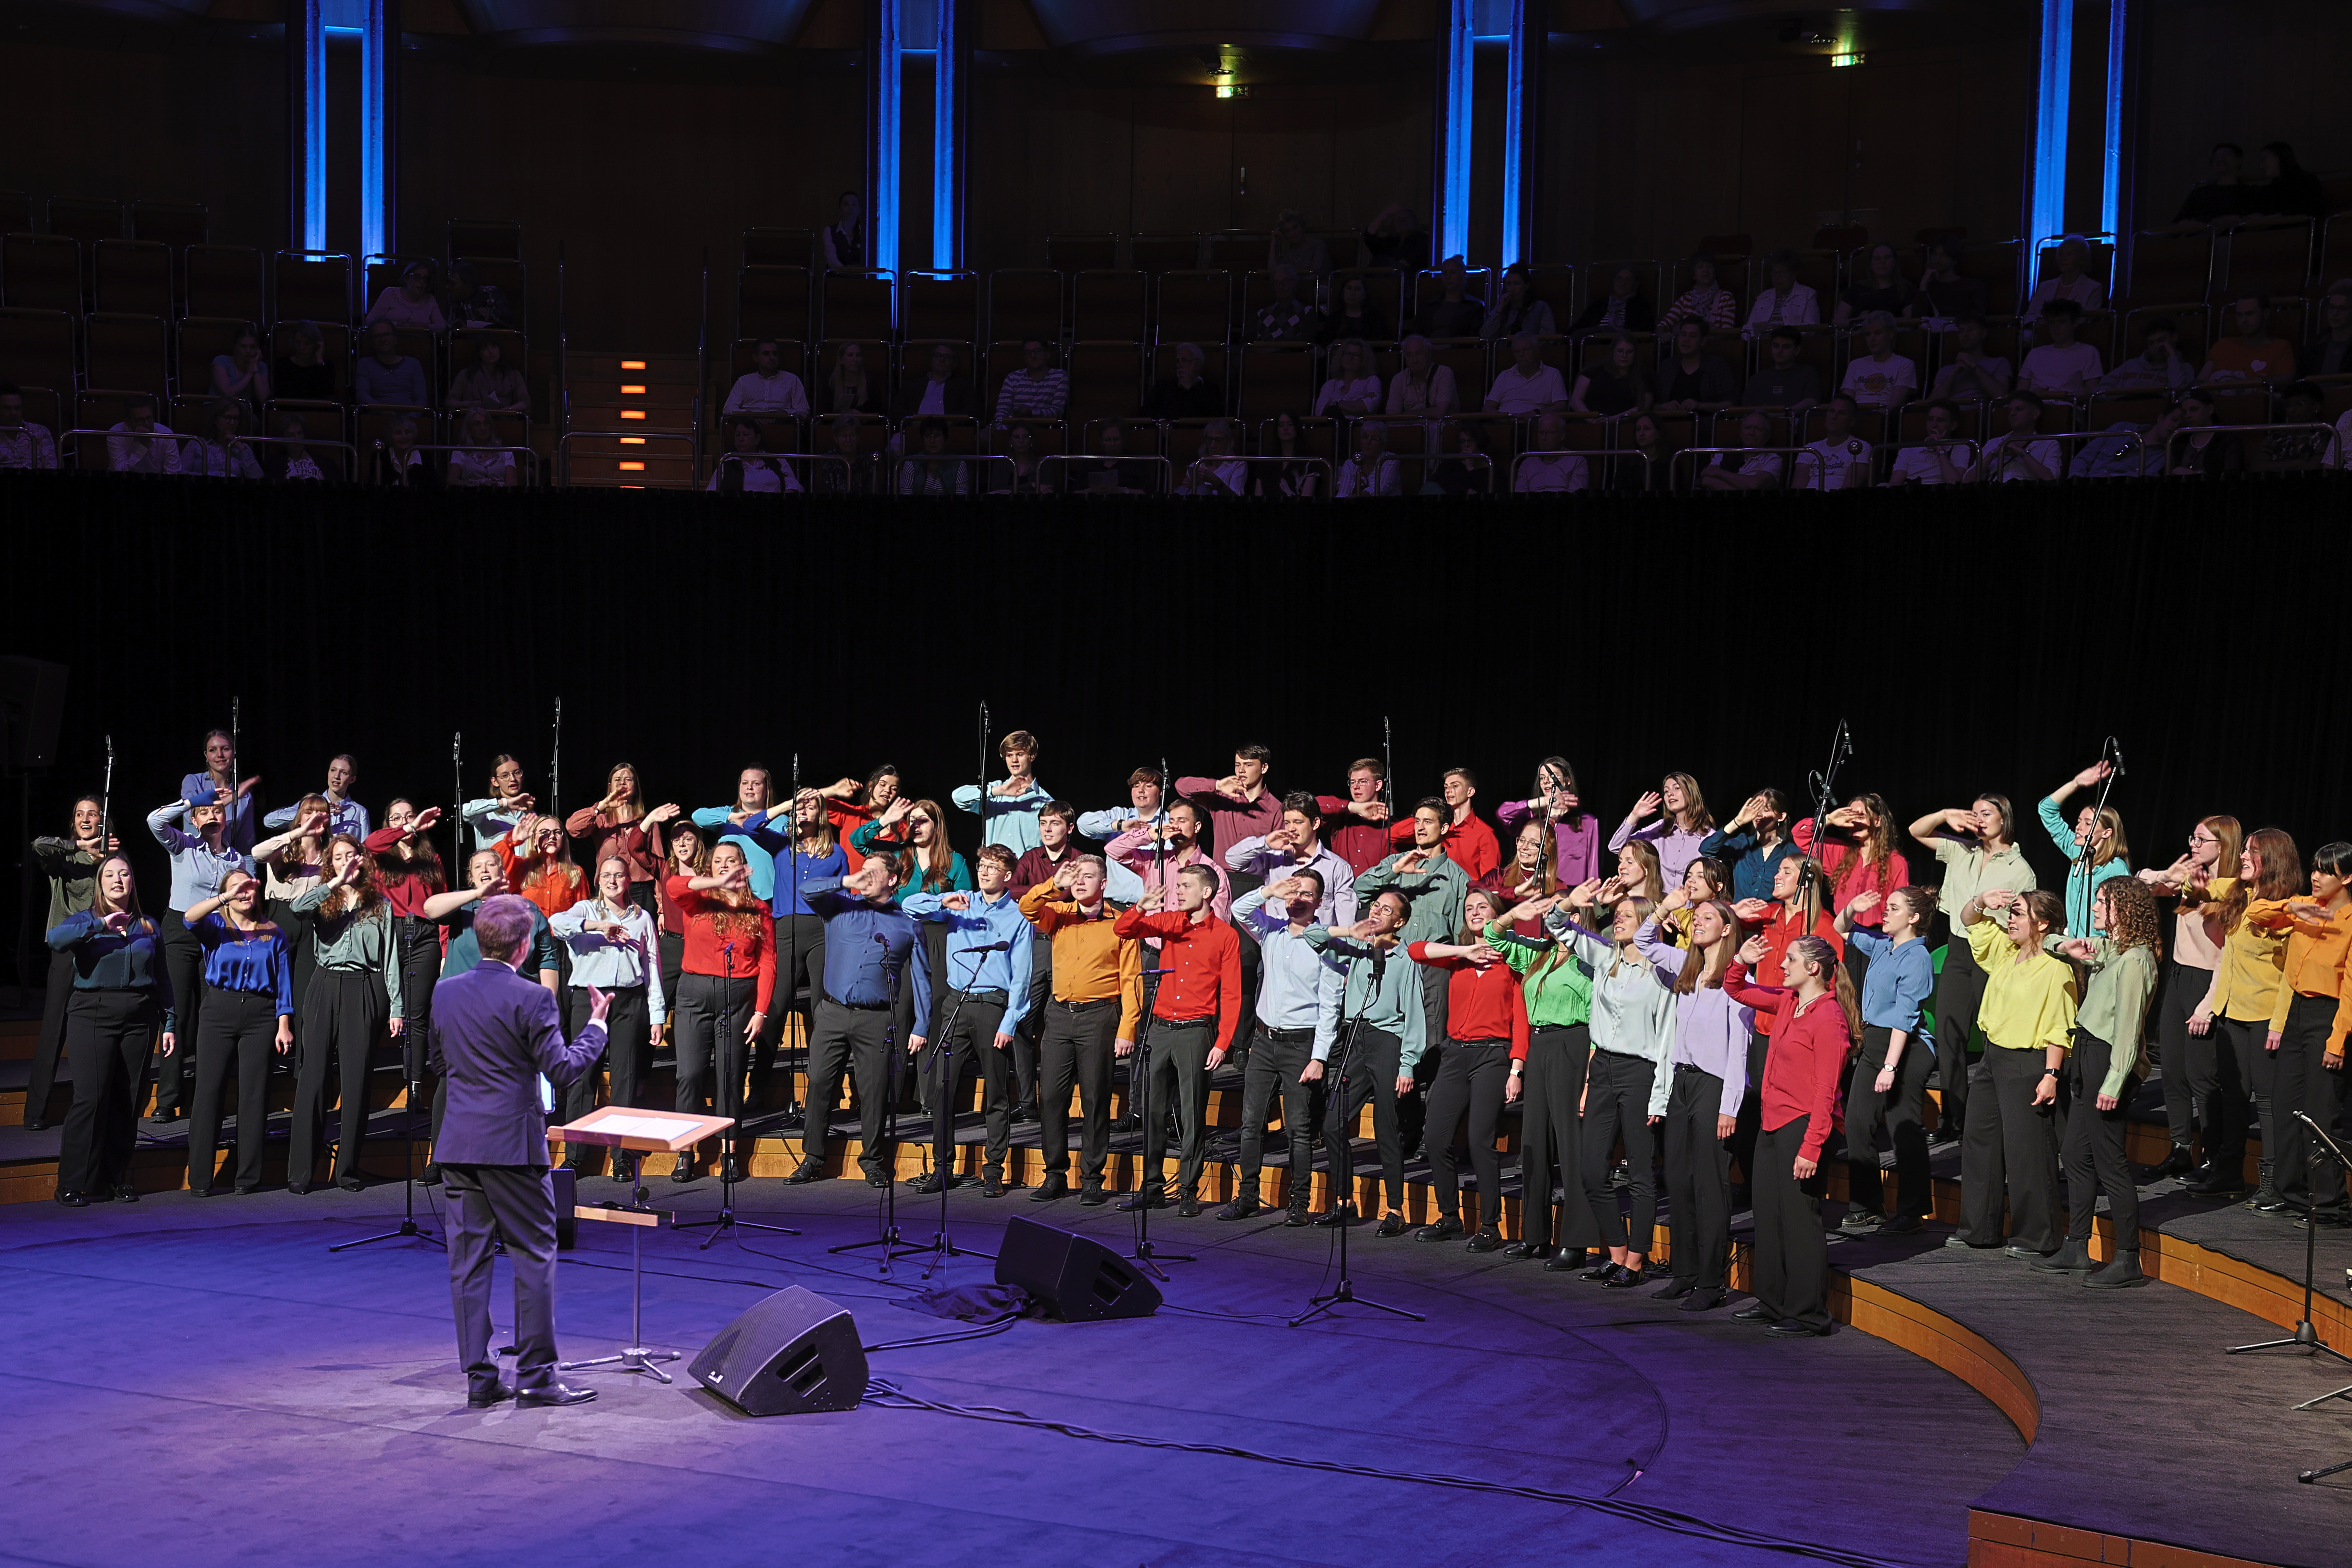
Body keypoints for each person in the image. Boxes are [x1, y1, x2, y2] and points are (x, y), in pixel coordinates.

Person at [430, 893, 610, 1410]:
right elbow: (564, 1069)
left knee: (468, 1264)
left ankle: (480, 1379)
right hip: (512, 1146)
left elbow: (439, 1062)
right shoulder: (533, 997)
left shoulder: (445, 991)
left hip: (459, 1143)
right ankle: (536, 1377)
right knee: (533, 1255)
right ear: (524, 946)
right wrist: (597, 1026)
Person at [1725, 932, 1858, 1336]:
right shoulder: (1788, 1002)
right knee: (1767, 1214)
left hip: (1805, 1125)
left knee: (1800, 1219)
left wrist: (1811, 1147)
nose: (1782, 966)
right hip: (1773, 1120)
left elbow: (1826, 1092)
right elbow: (1736, 989)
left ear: (1813, 968)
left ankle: (1808, 1313)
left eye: (1790, 959)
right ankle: (1772, 1301)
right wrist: (1740, 959)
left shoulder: (1829, 1019)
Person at [2034, 877, 2162, 1285]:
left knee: (2110, 1161)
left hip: (2109, 1059)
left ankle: (2127, 1258)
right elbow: (2052, 941)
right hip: (2088, 1053)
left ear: (2123, 908)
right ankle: (2076, 1246)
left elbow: (2128, 1028)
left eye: (2102, 901)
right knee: (2074, 1152)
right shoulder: (2111, 949)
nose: (2094, 907)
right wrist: (2068, 948)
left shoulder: (2136, 959)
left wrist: (2114, 1081)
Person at [1477, 884, 1607, 1266]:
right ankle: (1534, 1235)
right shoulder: (1539, 952)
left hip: (1573, 1044)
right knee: (1533, 1143)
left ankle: (1576, 1242)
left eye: (1560, 909)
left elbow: (1597, 1024)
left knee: (1570, 1146)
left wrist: (1588, 1079)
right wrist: (1510, 915)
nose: (1552, 916)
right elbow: (1492, 935)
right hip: (1540, 1045)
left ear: (1577, 916)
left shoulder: (1589, 959)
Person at [1947, 887, 2076, 1257]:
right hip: (1993, 1058)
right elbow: (1970, 921)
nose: (2010, 919)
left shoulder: (2056, 968)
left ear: (2043, 923)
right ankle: (1978, 1229)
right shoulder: (2007, 951)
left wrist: (2051, 1074)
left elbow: (2059, 1026)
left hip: (2028, 1063)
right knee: (1980, 1143)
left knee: (2027, 1151)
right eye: (2012, 912)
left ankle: (2037, 1236)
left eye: (2019, 913)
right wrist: (1981, 900)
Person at [788, 857, 927, 1187]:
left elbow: (922, 978)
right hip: (832, 1012)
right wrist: (846, 880)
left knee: (875, 1092)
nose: (865, 877)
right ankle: (813, 1158)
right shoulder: (839, 907)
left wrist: (922, 1025)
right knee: (819, 1083)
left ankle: (873, 1161)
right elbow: (806, 890)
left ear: (893, 880)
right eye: (863, 870)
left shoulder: (907, 924)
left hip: (877, 1018)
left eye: (873, 872)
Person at [904, 844, 1033, 1197]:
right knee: (942, 1088)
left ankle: (993, 1171)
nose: (984, 871)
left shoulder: (1018, 915)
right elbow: (909, 906)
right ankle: (942, 1168)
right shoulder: (961, 901)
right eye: (981, 865)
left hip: (992, 1005)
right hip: (956, 1003)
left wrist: (1010, 1020)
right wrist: (941, 901)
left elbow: (1022, 974)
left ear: (1008, 875)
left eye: (993, 866)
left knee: (996, 1092)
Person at [1114, 867, 1242, 1216]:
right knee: (1152, 1112)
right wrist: (1141, 906)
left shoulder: (1225, 935)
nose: (1179, 891)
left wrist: (1223, 1041)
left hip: (1195, 1032)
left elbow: (1232, 994)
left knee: (1192, 1113)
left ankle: (1188, 1189)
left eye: (1186, 886)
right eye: (1177, 886)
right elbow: (1123, 929)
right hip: (1160, 1029)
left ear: (1207, 892)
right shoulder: (1170, 921)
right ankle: (1152, 1187)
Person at [1406, 888, 1529, 1250]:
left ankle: (1490, 1225)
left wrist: (1516, 1069)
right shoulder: (1457, 958)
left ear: (1497, 914)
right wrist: (1465, 951)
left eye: (1483, 907)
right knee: (1435, 1138)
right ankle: (1449, 1217)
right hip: (1455, 1054)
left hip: (1493, 1055)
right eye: (1469, 908)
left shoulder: (1511, 959)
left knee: (1480, 1140)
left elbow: (1521, 1019)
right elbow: (1416, 950)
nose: (1475, 912)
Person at [46, 855, 172, 1206]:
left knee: (128, 1100)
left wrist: (170, 1022)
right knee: (91, 1098)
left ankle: (115, 1177)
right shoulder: (86, 920)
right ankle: (72, 1182)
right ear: (100, 883)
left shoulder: (148, 925)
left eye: (125, 873)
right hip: (92, 1013)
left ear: (133, 882)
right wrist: (100, 924)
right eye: (111, 875)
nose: (118, 879)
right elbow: (55, 939)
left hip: (139, 1016)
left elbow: (163, 978)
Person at [1218, 873, 1344, 1223]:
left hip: (1301, 1045)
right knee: (1251, 1123)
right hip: (1264, 1041)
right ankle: (1247, 1196)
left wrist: (1319, 1057)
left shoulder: (1326, 943)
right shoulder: (1271, 931)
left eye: (1306, 893)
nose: (1297, 898)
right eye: (1292, 891)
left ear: (1319, 902)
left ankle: (1299, 1203)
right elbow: (1239, 910)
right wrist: (1270, 891)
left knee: (1299, 1129)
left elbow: (1330, 1006)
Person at [1909, 794, 2035, 1145]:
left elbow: (2023, 920)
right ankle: (1953, 1119)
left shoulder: (2019, 868)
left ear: (2003, 819)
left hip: (1993, 951)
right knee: (1949, 1033)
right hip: (1957, 948)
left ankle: (1994, 1117)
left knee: (1995, 1035)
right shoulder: (1960, 849)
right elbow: (1916, 831)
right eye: (1974, 813)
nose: (1978, 819)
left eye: (1986, 813)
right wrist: (1944, 813)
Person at [1019, 855, 1142, 1206]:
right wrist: (1054, 884)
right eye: (1076, 876)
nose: (1081, 882)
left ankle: (1092, 1178)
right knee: (1052, 1098)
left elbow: (1131, 978)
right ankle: (1055, 1175)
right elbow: (1027, 907)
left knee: (1095, 1099)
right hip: (1059, 1015)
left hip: (1099, 1016)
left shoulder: (1120, 922)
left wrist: (1128, 1027)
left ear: (1103, 884)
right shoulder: (1059, 913)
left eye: (1088, 876)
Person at [2186, 828, 2302, 1204]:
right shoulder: (2239, 892)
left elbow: (2291, 975)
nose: (2242, 857)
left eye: (2252, 851)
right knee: (2233, 1096)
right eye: (2244, 850)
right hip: (2231, 1012)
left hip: (2266, 1016)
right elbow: (2198, 889)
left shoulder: (2287, 908)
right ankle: (2228, 1174)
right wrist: (2189, 883)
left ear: (2273, 859)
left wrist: (2278, 1023)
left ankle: (2275, 1184)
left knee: (2267, 1103)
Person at [1302, 889, 1427, 1233]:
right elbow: (1311, 935)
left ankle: (1395, 1210)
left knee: (1387, 1129)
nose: (1377, 911)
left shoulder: (1405, 959)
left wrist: (1407, 1063)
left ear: (1399, 922)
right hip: (1355, 1037)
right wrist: (1349, 931)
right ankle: (1344, 1201)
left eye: (1387, 910)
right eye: (1376, 905)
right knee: (1332, 1123)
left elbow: (1414, 1014)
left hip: (1387, 1041)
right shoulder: (1357, 947)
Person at [286, 836, 404, 1192]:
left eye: (350, 855)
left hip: (363, 986)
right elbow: (296, 909)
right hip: (325, 983)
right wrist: (335, 883)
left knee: (357, 1081)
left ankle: (347, 1170)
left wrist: (396, 1006)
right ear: (331, 863)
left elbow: (390, 958)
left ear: (362, 859)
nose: (345, 860)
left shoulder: (380, 904)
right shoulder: (324, 897)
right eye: (338, 857)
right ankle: (301, 1172)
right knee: (314, 1077)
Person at [2136, 815, 2242, 1180]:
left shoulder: (2233, 890)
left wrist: (2207, 1005)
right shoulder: (2189, 878)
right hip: (2179, 977)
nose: (2193, 845)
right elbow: (2141, 882)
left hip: (2207, 982)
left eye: (2200, 840)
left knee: (2202, 1077)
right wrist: (2164, 874)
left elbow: (2228, 955)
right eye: (2192, 838)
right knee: (2172, 1072)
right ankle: (2180, 1149)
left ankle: (2213, 1156)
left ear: (2222, 845)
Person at [665, 840, 777, 1183]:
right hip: (694, 994)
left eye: (732, 860)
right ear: (710, 867)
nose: (725, 865)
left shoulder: (758, 909)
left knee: (730, 1075)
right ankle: (686, 1151)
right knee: (690, 1075)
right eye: (718, 861)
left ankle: (729, 1152)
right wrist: (717, 883)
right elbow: (673, 886)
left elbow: (768, 961)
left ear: (743, 865)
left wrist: (761, 1011)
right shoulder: (699, 899)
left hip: (738, 997)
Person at [547, 857, 665, 1180]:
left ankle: (622, 1156)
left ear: (629, 880)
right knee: (583, 1077)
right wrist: (598, 926)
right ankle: (575, 1156)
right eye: (607, 875)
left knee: (626, 1078)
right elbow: (557, 924)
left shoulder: (642, 918)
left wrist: (657, 1015)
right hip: (590, 999)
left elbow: (652, 966)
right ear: (598, 880)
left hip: (630, 1000)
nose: (613, 881)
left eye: (619, 875)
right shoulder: (584, 909)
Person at [176, 870, 292, 1196]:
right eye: (236, 888)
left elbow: (283, 981)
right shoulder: (216, 926)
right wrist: (225, 898)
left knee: (254, 1095)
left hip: (261, 1014)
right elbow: (188, 918)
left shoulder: (273, 932)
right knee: (208, 1093)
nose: (244, 893)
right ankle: (201, 1179)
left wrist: (284, 1024)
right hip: (219, 1010)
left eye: (249, 887)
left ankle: (247, 1178)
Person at [2256, 842, 2352, 1231]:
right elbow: (2255, 914)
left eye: (2325, 871)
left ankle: (2331, 1205)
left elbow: (2350, 990)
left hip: (2328, 1016)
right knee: (2285, 1105)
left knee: (2321, 1112)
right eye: (2314, 868)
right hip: (2295, 1011)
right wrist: (2291, 908)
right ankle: (2291, 1193)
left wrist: (2337, 1041)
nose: (2315, 876)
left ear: (2346, 877)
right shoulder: (2303, 905)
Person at [1833, 886, 1937, 1234]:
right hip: (1877, 1041)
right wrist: (1852, 907)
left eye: (1894, 908)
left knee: (1903, 1126)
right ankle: (1866, 1206)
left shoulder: (1916, 957)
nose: (1885, 912)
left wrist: (1890, 1067)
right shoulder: (1882, 944)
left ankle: (1912, 1210)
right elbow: (1840, 927)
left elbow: (1904, 1017)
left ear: (1914, 917)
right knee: (1857, 1121)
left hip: (1906, 1046)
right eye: (1887, 907)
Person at [146, 791, 255, 1120]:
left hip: (217, 937)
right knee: (176, 1014)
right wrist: (193, 802)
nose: (211, 816)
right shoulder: (183, 845)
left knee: (213, 1017)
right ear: (194, 821)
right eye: (204, 812)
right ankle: (168, 1099)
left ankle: (207, 1099)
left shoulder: (236, 860)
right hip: (180, 933)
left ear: (226, 819)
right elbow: (154, 820)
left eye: (217, 811)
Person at [1358, 799, 1471, 1114]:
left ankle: (1430, 1121)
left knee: (1432, 1042)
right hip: (1395, 964)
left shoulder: (1457, 878)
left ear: (1445, 827)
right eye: (1417, 821)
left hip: (1434, 969)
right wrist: (1395, 869)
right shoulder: (1397, 863)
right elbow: (1360, 889)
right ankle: (1401, 1117)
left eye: (1428, 821)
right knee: (1395, 1037)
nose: (1420, 828)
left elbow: (1461, 934)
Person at [25, 798, 113, 1132]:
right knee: (53, 1027)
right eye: (79, 814)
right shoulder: (62, 857)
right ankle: (35, 1110)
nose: (85, 819)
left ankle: (99, 1107)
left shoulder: (111, 857)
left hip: (100, 949)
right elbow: (38, 845)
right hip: (66, 949)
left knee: (98, 1028)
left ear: (103, 820)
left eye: (92, 814)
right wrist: (79, 846)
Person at [2037, 760, 2132, 936]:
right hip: (2073, 943)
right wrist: (2075, 783)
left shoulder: (2115, 868)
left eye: (2088, 824)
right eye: (2079, 821)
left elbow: (2122, 917)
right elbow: (2046, 810)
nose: (2079, 828)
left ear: (2107, 833)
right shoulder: (2077, 852)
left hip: (2098, 947)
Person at [950, 728, 1051, 856]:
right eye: (1009, 755)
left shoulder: (1045, 802)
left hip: (1024, 868)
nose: (1014, 760)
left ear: (1032, 756)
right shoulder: (996, 791)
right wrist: (1000, 791)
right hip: (993, 867)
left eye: (1020, 754)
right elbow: (958, 797)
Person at [1608, 772, 1713, 889]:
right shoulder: (1660, 829)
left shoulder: (1709, 837)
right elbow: (1616, 847)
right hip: (1658, 900)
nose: (1670, 794)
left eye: (1677, 788)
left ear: (1691, 793)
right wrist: (1634, 816)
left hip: (1689, 900)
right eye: (1666, 791)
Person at [1698, 790, 1800, 904]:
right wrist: (1738, 821)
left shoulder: (1790, 851)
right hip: (1740, 914)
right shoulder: (1743, 844)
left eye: (1766, 810)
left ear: (1781, 817)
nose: (1759, 814)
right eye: (1756, 810)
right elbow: (1707, 850)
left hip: (1773, 914)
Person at [2199, 294, 2297, 386]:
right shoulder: (2223, 345)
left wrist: (2263, 381)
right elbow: (2200, 382)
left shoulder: (2280, 348)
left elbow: (2287, 380)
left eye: (2250, 314)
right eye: (2240, 315)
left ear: (2265, 314)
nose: (2244, 320)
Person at [1967, 392, 2063, 482]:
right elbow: (1967, 481)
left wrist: (2022, 453)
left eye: (2019, 409)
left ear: (2035, 414)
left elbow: (2051, 480)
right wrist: (1992, 454)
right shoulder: (1994, 443)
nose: (2012, 414)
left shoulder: (2049, 444)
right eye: (2010, 410)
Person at [2016, 300, 2103, 396]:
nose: (2056, 328)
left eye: (2062, 322)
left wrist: (2057, 395)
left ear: (2075, 323)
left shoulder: (2088, 352)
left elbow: (2092, 391)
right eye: (2052, 323)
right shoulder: (2035, 353)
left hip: (2066, 403)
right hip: (2033, 403)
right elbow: (2021, 391)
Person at [1653, 319, 1736, 416]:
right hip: (1669, 421)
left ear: (1703, 341)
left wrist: (1701, 406)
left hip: (1705, 422)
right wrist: (1664, 406)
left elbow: (1732, 403)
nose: (1686, 340)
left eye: (1693, 336)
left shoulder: (1717, 366)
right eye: (1683, 335)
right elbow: (1653, 405)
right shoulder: (1668, 366)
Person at [1793, 393, 1875, 491]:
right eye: (1832, 411)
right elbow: (1798, 488)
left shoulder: (1860, 447)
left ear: (1852, 421)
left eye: (1842, 413)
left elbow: (1849, 489)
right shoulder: (1809, 449)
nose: (1834, 417)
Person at [1838, 312, 1917, 412]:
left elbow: (1894, 405)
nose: (1872, 339)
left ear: (1890, 334)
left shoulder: (1905, 364)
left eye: (1878, 333)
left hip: (1883, 415)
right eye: (1868, 334)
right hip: (1856, 415)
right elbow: (1846, 403)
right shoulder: (1855, 365)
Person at [2162, 387, 2243, 478]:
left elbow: (2233, 476)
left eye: (2194, 409)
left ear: (2210, 410)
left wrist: (2195, 474)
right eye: (2185, 412)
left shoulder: (2227, 440)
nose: (2188, 416)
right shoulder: (2180, 441)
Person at [2099, 316, 2193, 394]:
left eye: (2161, 341)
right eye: (2151, 343)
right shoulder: (2130, 365)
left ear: (2174, 338)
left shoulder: (2185, 368)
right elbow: (2100, 390)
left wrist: (2172, 356)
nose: (2157, 346)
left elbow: (2178, 388)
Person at [2022, 236, 2106, 321]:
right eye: (2061, 254)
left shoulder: (2093, 288)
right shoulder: (2045, 286)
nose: (2063, 259)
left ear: (2082, 260)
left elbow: (2087, 320)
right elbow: (2030, 315)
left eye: (2069, 254)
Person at [1484, 332, 1569, 415]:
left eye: (1526, 350)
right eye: (1517, 351)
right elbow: (1488, 407)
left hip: (1538, 420)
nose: (1521, 354)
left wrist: (1534, 414)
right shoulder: (1505, 375)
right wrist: (1504, 419)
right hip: (1505, 420)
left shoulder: (1553, 374)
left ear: (1537, 351)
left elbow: (1561, 407)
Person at [1888, 400, 1968, 485]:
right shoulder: (1908, 450)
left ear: (1953, 426)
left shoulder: (1961, 448)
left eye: (1940, 420)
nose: (1934, 425)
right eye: (1930, 419)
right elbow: (1895, 485)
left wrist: (1939, 448)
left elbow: (1954, 483)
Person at [1700, 411, 1786, 491]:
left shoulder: (1773, 459)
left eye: (1758, 429)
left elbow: (1755, 484)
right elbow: (1707, 480)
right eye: (1748, 428)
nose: (1752, 433)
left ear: (1767, 435)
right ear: (1741, 432)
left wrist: (1718, 473)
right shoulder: (1726, 451)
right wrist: (1745, 488)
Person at [723, 339, 810, 417]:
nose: (772, 358)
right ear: (756, 358)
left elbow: (803, 410)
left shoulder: (792, 379)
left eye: (775, 354)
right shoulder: (744, 381)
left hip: (781, 421)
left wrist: (784, 413)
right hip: (750, 421)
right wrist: (749, 414)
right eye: (766, 354)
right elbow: (728, 409)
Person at [1569, 332, 1650, 416]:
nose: (1625, 355)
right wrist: (1592, 419)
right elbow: (1575, 400)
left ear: (1635, 353)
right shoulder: (1594, 369)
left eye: (1630, 352)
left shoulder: (1644, 375)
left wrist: (1610, 420)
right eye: (1620, 351)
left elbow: (1643, 407)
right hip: (1589, 420)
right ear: (1613, 351)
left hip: (1626, 422)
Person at [710, 419, 799, 494]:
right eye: (738, 435)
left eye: (746, 434)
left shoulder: (776, 459)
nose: (741, 439)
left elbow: (794, 485)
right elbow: (712, 491)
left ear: (757, 439)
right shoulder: (726, 463)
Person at [355, 321, 431, 409]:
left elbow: (421, 399)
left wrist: (412, 416)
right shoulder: (365, 364)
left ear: (395, 338)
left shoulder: (413, 364)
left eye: (387, 335)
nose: (383, 340)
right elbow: (362, 395)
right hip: (377, 414)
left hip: (409, 414)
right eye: (377, 336)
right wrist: (383, 410)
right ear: (372, 342)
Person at [1065, 421, 1156, 496]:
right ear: (1101, 441)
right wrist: (1091, 490)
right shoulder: (1091, 461)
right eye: (1107, 440)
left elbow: (1147, 492)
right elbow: (1074, 492)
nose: (1112, 444)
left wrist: (1121, 490)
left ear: (1123, 440)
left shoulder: (1135, 461)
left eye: (1116, 440)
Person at [1741, 326, 1821, 410]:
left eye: (1786, 347)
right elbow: (1746, 410)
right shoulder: (1758, 379)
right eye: (1776, 346)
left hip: (1795, 418)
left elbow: (1813, 401)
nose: (1779, 351)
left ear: (1797, 350)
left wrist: (1787, 412)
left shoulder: (1807, 373)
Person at [1910, 241, 1988, 324]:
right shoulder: (1929, 287)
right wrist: (1923, 286)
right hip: (1933, 330)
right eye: (1935, 254)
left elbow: (1977, 318)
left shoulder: (1973, 285)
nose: (1937, 260)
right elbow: (1917, 320)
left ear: (1955, 260)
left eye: (1944, 255)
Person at [1744, 250, 1820, 335]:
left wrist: (1785, 334)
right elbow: (1748, 329)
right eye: (1775, 273)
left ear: (1793, 275)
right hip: (1763, 341)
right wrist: (1752, 339)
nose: (1778, 277)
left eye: (1783, 273)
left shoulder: (1808, 294)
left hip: (1792, 340)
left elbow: (1811, 328)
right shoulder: (1764, 297)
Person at [2245, 141, 2327, 220]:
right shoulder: (2273, 188)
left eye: (2264, 159)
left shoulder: (2306, 181)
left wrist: (2265, 220)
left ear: (2279, 157)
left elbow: (2302, 212)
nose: (2261, 166)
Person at [1143, 341, 1223, 421]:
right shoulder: (1162, 387)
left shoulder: (1212, 390)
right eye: (1177, 361)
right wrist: (1161, 422)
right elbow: (1146, 413)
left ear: (1197, 364)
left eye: (1184, 360)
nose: (1179, 365)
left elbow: (1215, 419)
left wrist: (1188, 386)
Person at [1659, 253, 1738, 334]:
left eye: (1709, 267)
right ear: (1694, 275)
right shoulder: (1686, 298)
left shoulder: (1726, 298)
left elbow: (1727, 332)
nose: (1705, 270)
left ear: (1714, 273)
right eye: (1700, 267)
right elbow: (1663, 325)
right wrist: (1663, 335)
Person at [1837, 243, 1913, 327]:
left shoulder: (1905, 288)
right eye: (1877, 259)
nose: (1882, 262)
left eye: (1887, 258)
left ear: (1895, 262)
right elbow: (1837, 321)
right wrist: (1859, 321)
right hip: (1860, 332)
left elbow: (1911, 319)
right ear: (1871, 263)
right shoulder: (1857, 289)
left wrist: (1881, 321)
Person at [1386, 334, 1459, 420]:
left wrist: (1407, 415)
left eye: (1419, 354)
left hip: (1440, 426)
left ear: (1429, 354)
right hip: (1408, 426)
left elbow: (1440, 413)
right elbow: (1391, 418)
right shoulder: (1398, 379)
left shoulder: (1444, 373)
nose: (1415, 360)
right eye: (1409, 355)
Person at [448, 339, 530, 415]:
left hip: (505, 419)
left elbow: (526, 402)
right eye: (485, 348)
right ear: (479, 353)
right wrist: (467, 404)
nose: (491, 352)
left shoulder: (514, 375)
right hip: (475, 420)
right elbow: (449, 402)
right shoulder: (466, 374)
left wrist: (507, 410)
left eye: (494, 347)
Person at [1514, 411, 1589, 494]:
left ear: (1562, 436)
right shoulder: (1527, 463)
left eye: (1549, 433)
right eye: (1541, 433)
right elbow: (1520, 494)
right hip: (1533, 501)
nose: (1544, 438)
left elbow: (1576, 495)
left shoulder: (1577, 461)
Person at [993, 338, 1067, 422]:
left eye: (1037, 351)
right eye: (1028, 353)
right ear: (1024, 358)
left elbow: (1057, 412)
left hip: (1042, 425)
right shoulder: (1013, 377)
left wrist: (1031, 413)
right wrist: (1001, 428)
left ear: (1047, 355)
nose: (1033, 356)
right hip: (1012, 425)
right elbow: (1002, 411)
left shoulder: (1059, 376)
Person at [185, 399, 262, 480]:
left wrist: (241, 449)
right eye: (227, 417)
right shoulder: (197, 444)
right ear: (215, 419)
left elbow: (258, 478)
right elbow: (181, 473)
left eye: (236, 418)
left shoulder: (243, 448)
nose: (232, 423)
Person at [107, 394, 182, 475]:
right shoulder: (116, 434)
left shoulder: (167, 434)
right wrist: (143, 447)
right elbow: (121, 473)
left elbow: (172, 473)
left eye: (149, 418)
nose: (147, 424)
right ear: (128, 422)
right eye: (140, 420)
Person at [2173, 142, 2245, 226]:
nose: (2220, 159)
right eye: (2216, 157)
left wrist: (2239, 220)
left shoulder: (2252, 192)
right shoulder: (2199, 194)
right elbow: (2177, 224)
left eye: (2227, 155)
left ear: (2239, 161)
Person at [1568, 263, 1653, 335]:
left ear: (1635, 284)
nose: (1623, 283)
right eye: (1619, 279)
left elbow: (1646, 332)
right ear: (1614, 281)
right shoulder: (1599, 304)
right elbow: (1578, 328)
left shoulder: (1641, 305)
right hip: (1595, 343)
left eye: (1628, 279)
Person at [1411, 255, 1484, 338]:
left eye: (1453, 273)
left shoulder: (1475, 307)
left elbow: (1475, 336)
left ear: (1463, 275)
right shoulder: (1427, 306)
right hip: (1428, 345)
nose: (1448, 277)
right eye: (1445, 273)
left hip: (1458, 346)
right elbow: (1417, 334)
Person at [449, 408, 522, 489]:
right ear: (469, 429)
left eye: (486, 423)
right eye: (477, 424)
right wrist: (477, 484)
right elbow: (452, 481)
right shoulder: (460, 451)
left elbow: (512, 483)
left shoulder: (506, 452)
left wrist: (498, 487)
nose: (483, 428)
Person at [366, 259, 447, 331]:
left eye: (425, 279)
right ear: (407, 278)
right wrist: (396, 325)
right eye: (417, 277)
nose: (422, 282)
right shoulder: (390, 293)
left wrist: (424, 327)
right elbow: (370, 320)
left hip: (420, 340)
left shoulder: (430, 299)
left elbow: (442, 326)